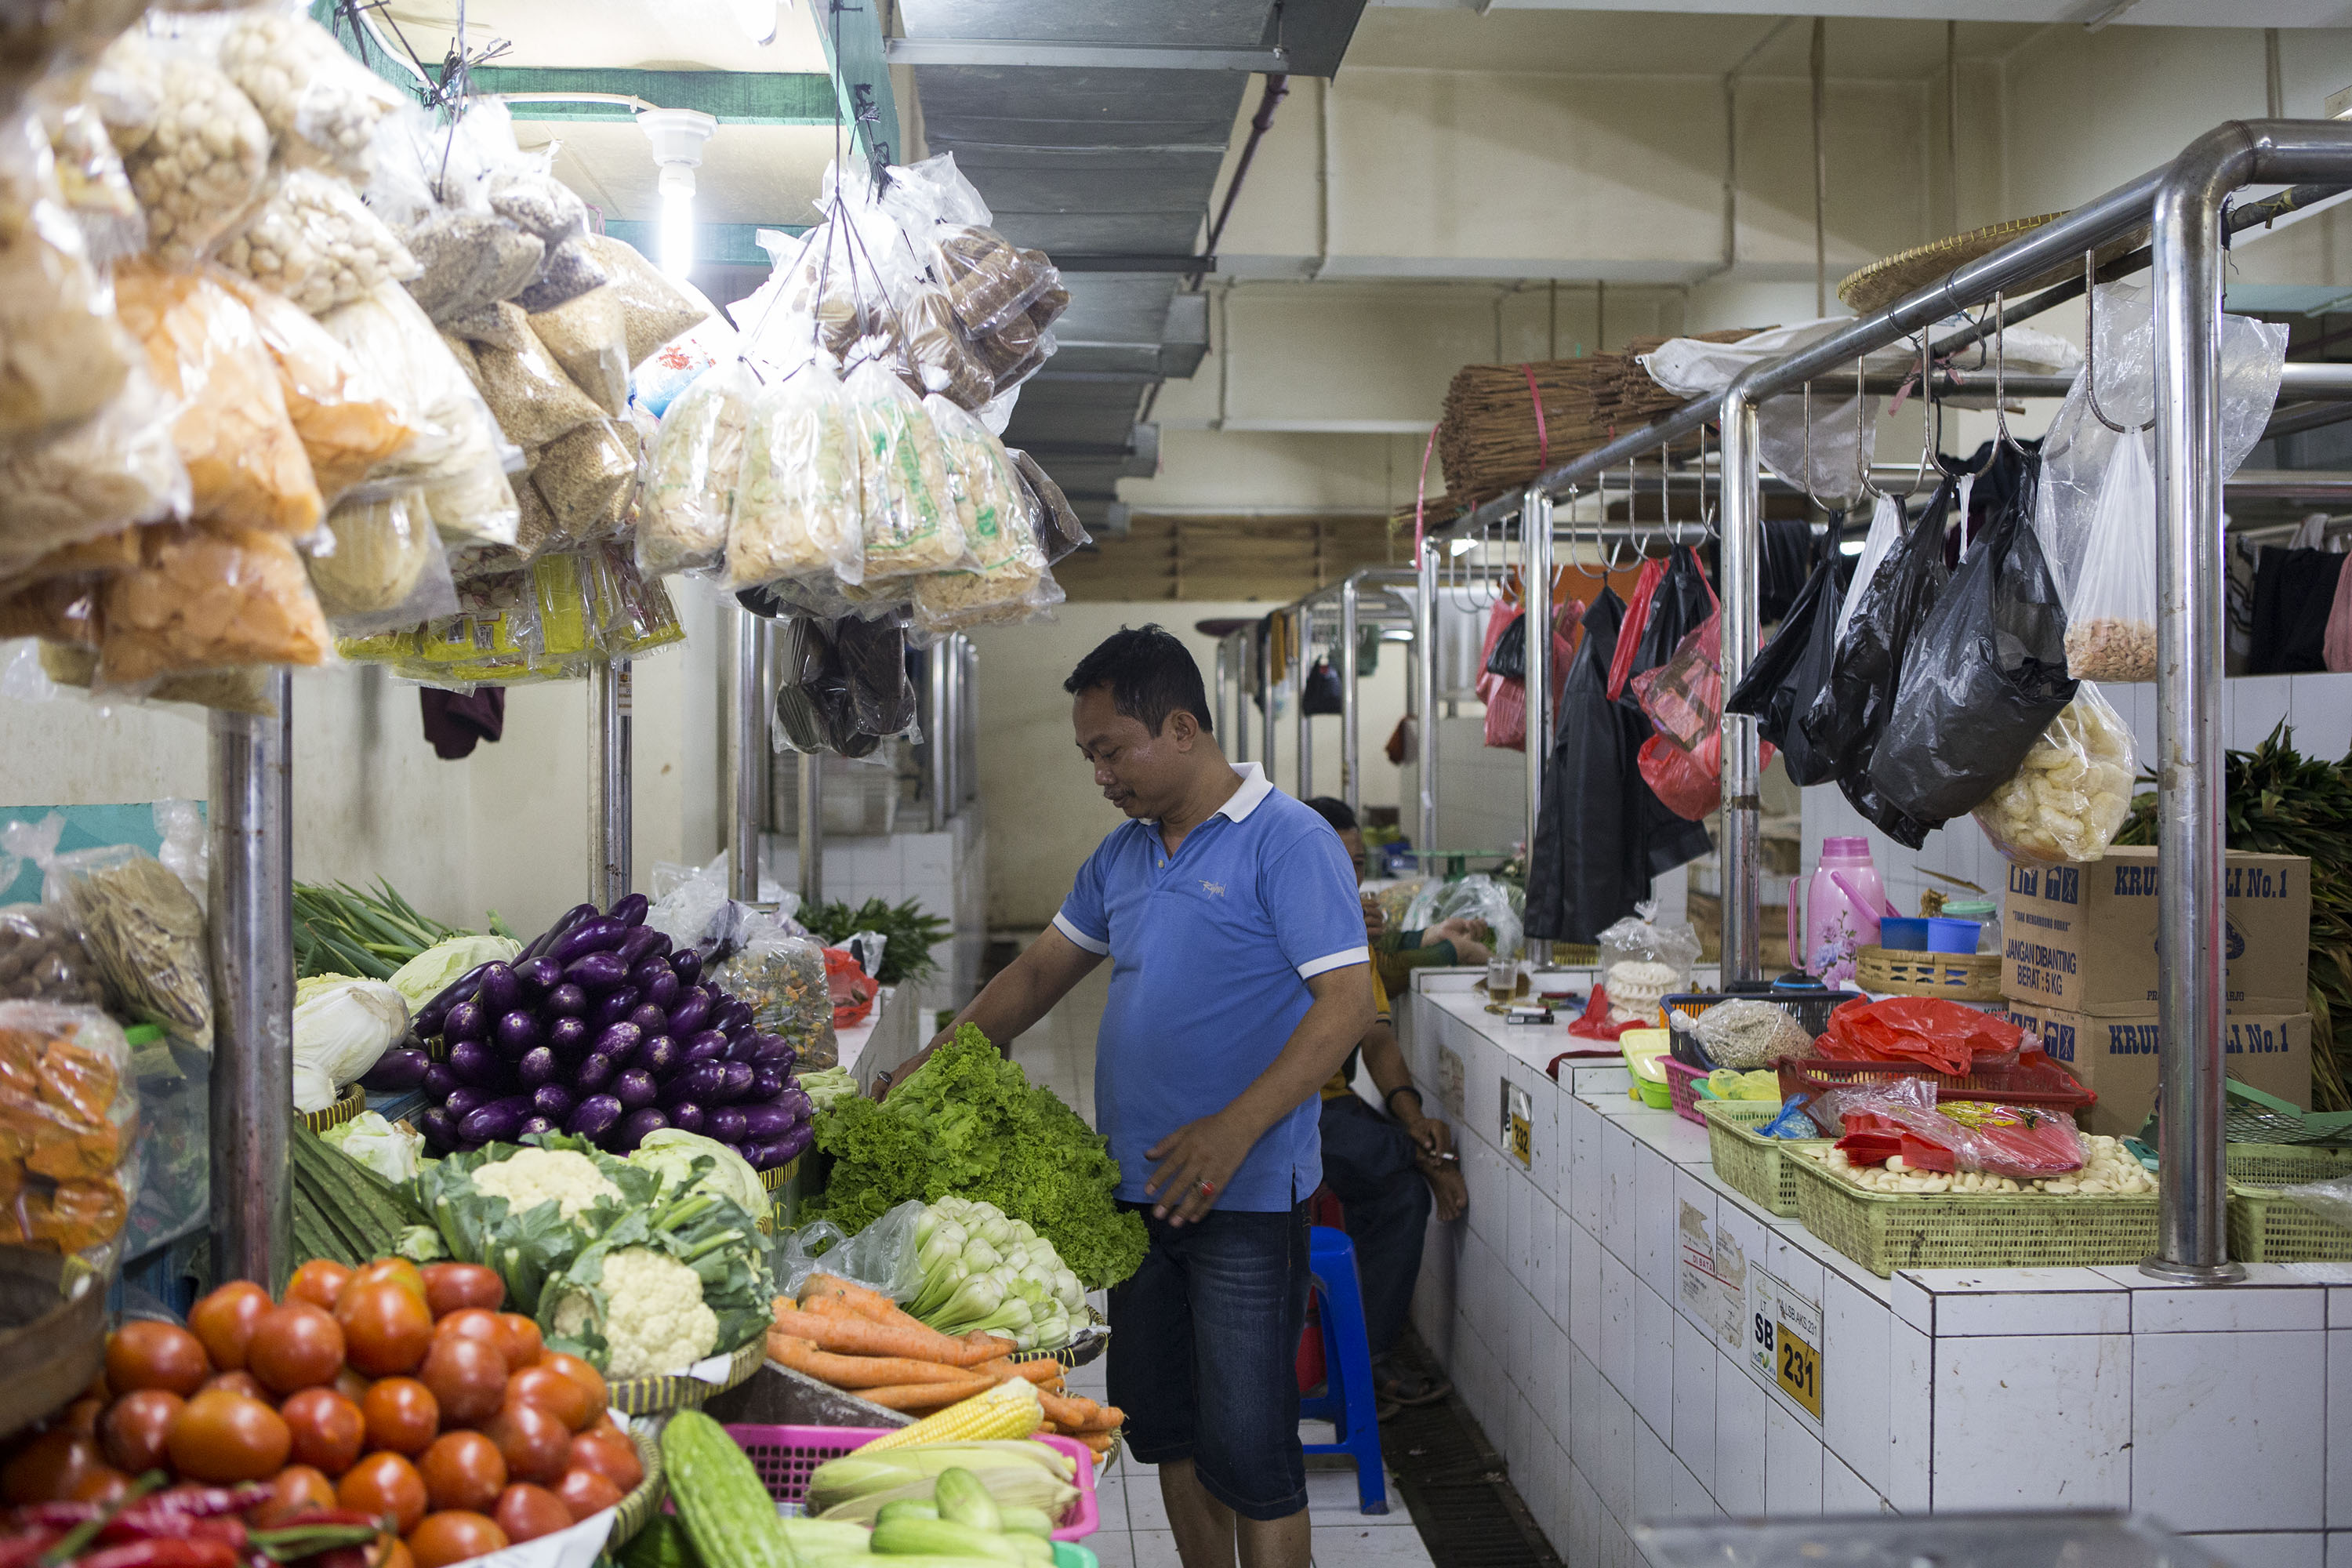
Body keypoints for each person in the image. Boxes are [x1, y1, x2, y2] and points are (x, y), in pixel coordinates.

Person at [880, 626, 1374, 1568]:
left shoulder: (1288, 839)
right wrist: (929, 1068)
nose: (1099, 774)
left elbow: (1346, 1003)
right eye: (1088, 755)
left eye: (1112, 750)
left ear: (1180, 726)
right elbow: (1034, 976)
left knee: (1253, 1445)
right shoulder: (1124, 856)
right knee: (1165, 1428)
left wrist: (1235, 1128)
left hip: (1248, 1193)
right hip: (1136, 1196)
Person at [1301, 798, 1466, 1413]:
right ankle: (1358, 1361)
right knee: (1400, 1163)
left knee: (1399, 1190)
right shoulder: (1281, 915)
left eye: (1359, 864)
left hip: (1330, 1107)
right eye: (1335, 864)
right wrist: (1423, 1148)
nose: (1351, 879)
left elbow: (1376, 1039)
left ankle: (1363, 1358)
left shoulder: (1352, 931)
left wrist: (1413, 1117)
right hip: (1280, 1112)